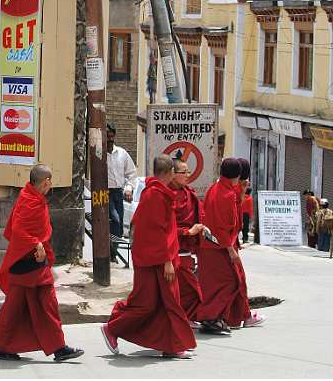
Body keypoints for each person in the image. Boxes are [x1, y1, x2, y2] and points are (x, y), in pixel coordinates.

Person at [101, 154, 197, 359]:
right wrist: (167, 261)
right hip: (154, 260)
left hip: (158, 258)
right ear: (171, 172)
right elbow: (156, 232)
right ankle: (112, 328)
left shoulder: (159, 192)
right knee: (146, 303)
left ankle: (172, 345)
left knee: (166, 302)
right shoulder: (154, 195)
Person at [0, 164, 83, 362]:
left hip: (24, 261)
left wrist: (38, 245)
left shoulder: (30, 196)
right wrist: (36, 244)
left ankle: (2, 346)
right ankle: (59, 348)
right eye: (49, 181)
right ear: (46, 182)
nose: (50, 185)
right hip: (29, 261)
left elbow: (17, 229)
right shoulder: (29, 200)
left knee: (15, 306)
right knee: (47, 303)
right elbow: (17, 230)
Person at [196, 157, 263, 334]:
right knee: (231, 282)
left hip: (210, 244)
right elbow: (223, 226)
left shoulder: (215, 188)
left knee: (224, 282)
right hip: (220, 246)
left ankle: (235, 316)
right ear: (238, 174)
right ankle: (210, 316)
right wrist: (231, 249)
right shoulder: (227, 195)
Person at [169, 157, 207, 325]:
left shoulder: (188, 193)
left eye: (188, 171)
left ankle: (186, 317)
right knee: (190, 288)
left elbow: (200, 212)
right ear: (172, 174)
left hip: (187, 248)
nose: (187, 175)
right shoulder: (168, 195)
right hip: (173, 250)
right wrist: (187, 231)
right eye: (183, 172)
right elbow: (165, 227)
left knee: (188, 289)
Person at [106, 123, 137, 240]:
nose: (110, 139)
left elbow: (132, 173)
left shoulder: (122, 153)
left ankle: (113, 251)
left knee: (118, 224)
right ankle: (110, 250)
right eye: (107, 136)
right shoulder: (99, 154)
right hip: (105, 193)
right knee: (115, 219)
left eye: (111, 136)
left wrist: (129, 188)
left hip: (118, 193)